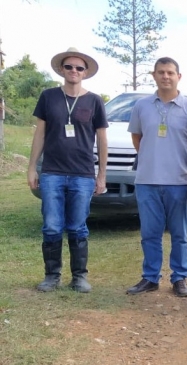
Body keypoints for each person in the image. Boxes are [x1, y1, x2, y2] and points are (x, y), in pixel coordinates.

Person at [27, 47, 108, 293]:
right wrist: (32, 167)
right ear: (62, 70)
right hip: (52, 172)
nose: (74, 71)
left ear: (85, 73)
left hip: (82, 174)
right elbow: (39, 133)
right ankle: (52, 275)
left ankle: (79, 277)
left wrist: (101, 174)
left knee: (78, 226)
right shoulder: (48, 96)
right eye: (69, 67)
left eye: (79, 68)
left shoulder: (94, 100)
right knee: (51, 225)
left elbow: (102, 139)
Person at [126, 57, 187, 297]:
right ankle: (150, 277)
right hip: (147, 181)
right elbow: (137, 138)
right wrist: (152, 158)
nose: (165, 76)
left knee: (179, 234)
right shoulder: (142, 106)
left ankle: (179, 277)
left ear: (179, 76)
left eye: (170, 72)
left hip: (179, 182)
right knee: (150, 234)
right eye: (161, 72)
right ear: (154, 75)